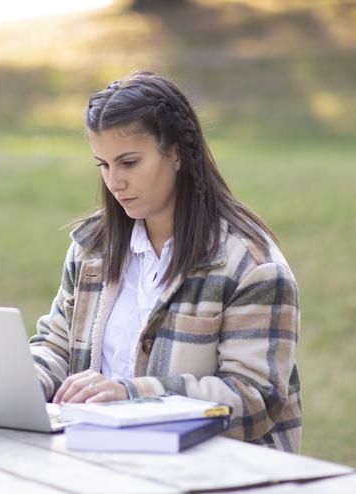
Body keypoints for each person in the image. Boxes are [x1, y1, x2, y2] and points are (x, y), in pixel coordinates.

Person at [29, 71, 301, 452]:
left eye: (129, 162)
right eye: (103, 165)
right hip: (101, 460)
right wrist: (20, 381)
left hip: (214, 473)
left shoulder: (251, 266)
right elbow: (58, 346)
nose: (114, 182)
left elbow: (255, 399)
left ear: (175, 153)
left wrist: (132, 394)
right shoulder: (93, 249)